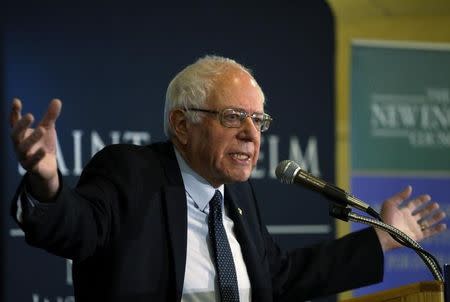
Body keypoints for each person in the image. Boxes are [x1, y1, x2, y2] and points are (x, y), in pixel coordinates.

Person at [10, 55, 446, 302]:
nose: (252, 134)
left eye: (259, 120)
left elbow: (278, 276)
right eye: (234, 117)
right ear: (182, 124)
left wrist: (382, 239)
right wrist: (47, 183)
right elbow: (76, 228)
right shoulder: (131, 171)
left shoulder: (237, 195)